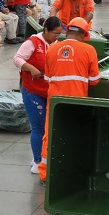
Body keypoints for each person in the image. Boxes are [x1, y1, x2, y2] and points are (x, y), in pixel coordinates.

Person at [37, 17, 100, 183]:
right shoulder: (89, 50)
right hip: (77, 102)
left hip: (55, 101)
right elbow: (94, 79)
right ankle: (73, 175)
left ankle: (45, 175)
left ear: (67, 32)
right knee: (75, 135)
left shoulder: (52, 49)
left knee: (49, 135)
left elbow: (47, 78)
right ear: (83, 34)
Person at [14, 16, 63, 174]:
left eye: (59, 34)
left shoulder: (57, 45)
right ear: (46, 30)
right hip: (33, 91)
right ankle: (37, 162)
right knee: (38, 127)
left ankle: (43, 156)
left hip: (50, 91)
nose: (57, 37)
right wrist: (30, 68)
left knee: (49, 128)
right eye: (54, 34)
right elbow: (17, 59)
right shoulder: (32, 43)